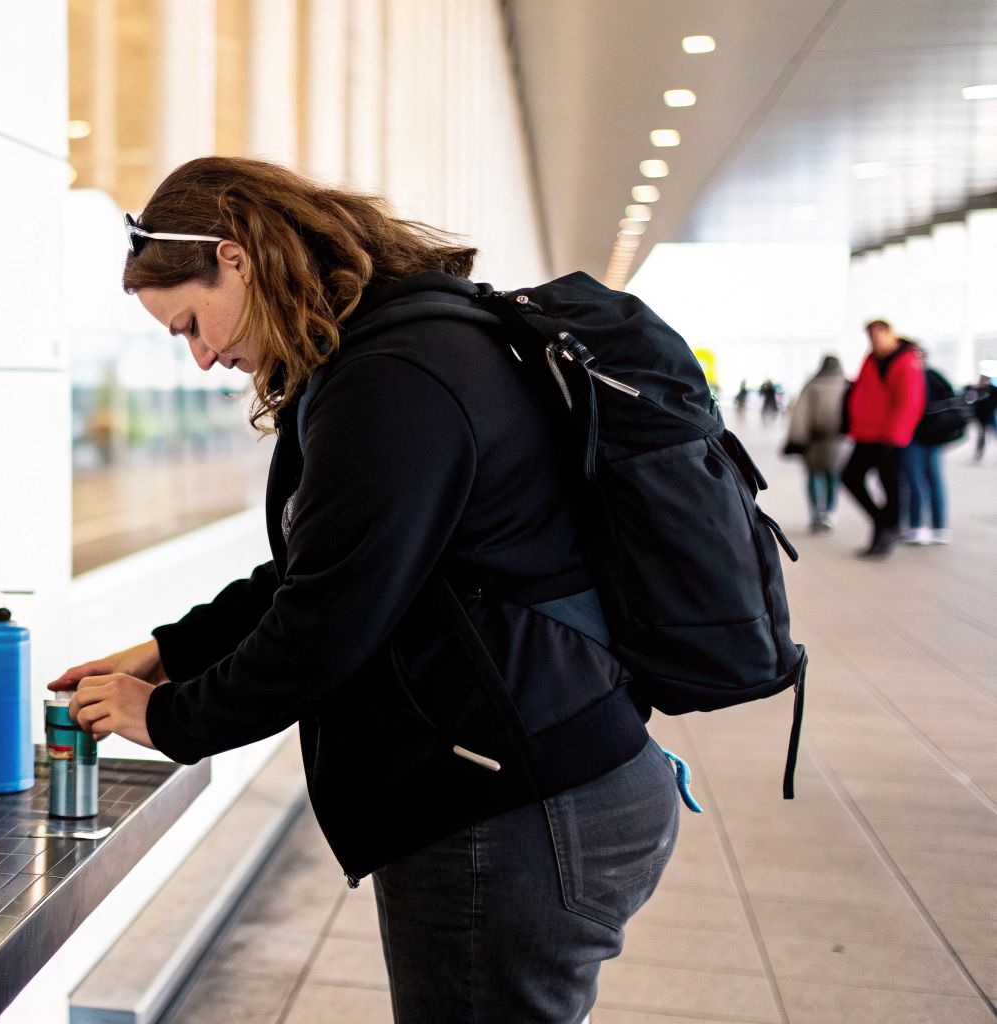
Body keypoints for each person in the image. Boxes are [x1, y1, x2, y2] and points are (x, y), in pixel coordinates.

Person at [49, 157, 679, 1022]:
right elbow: (321, 566)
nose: (200, 357)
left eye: (190, 323)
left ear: (236, 258)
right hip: (535, 779)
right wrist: (169, 653)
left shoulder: (394, 378)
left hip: (517, 811)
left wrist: (167, 719)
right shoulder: (397, 349)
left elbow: (325, 618)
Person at [841, 320, 925, 557]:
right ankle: (883, 522)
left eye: (878, 335)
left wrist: (896, 435)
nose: (874, 340)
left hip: (889, 436)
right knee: (850, 476)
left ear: (890, 334)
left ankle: (887, 531)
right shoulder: (871, 358)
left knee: (891, 486)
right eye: (870, 336)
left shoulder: (907, 360)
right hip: (866, 433)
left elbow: (910, 401)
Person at [785, 356, 847, 532]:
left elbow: (801, 415)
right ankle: (830, 512)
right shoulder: (845, 384)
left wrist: (797, 438)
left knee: (814, 475)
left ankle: (816, 513)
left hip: (814, 439)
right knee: (832, 476)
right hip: (837, 439)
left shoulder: (812, 385)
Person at [902, 358, 961, 544]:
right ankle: (939, 527)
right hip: (935, 435)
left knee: (915, 480)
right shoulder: (935, 375)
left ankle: (917, 525)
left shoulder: (910, 377)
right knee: (934, 480)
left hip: (915, 435)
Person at [970, 375, 996, 462]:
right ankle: (979, 453)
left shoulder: (993, 390)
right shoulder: (977, 390)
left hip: (990, 415)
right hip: (981, 416)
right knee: (981, 435)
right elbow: (973, 403)